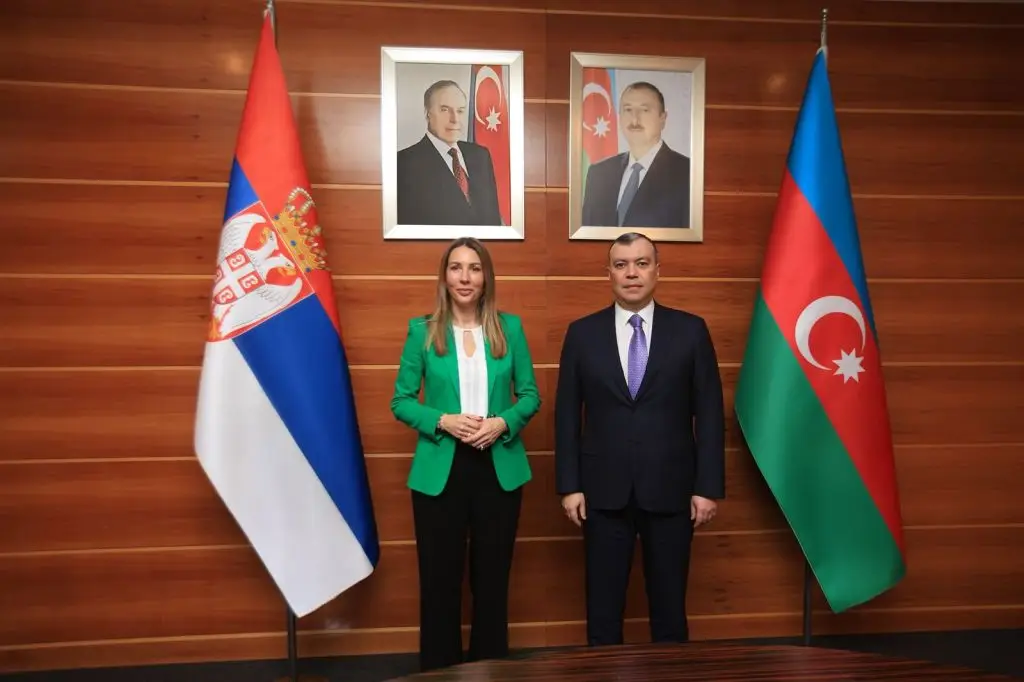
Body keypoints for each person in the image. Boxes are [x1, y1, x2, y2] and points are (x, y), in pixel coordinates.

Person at [554, 231, 725, 646]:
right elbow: (566, 415)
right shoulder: (582, 334)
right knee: (602, 610)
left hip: (671, 491)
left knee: (669, 610)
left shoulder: (691, 331)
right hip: (602, 494)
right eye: (621, 265)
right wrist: (570, 486)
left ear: (657, 271)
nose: (632, 273)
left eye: (642, 263)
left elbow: (710, 414)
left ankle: (669, 673)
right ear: (609, 273)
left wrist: (707, 488)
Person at [391, 237, 540, 671]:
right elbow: (401, 401)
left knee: (491, 580)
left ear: (486, 277)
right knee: (439, 581)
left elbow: (530, 395)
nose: (465, 277)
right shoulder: (422, 331)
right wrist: (443, 420)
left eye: (474, 268)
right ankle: (439, 672)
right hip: (441, 468)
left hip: (498, 467)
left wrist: (502, 423)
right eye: (456, 267)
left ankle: (490, 669)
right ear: (444, 276)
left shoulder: (510, 329)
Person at [581, 81, 691, 229]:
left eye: (644, 110)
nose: (634, 120)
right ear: (619, 117)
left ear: (663, 118)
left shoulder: (687, 174)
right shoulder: (599, 173)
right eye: (628, 110)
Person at [397, 80, 503, 226]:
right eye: (445, 110)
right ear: (428, 113)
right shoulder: (404, 163)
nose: (455, 119)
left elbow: (493, 219)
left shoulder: (480, 155)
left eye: (460, 111)